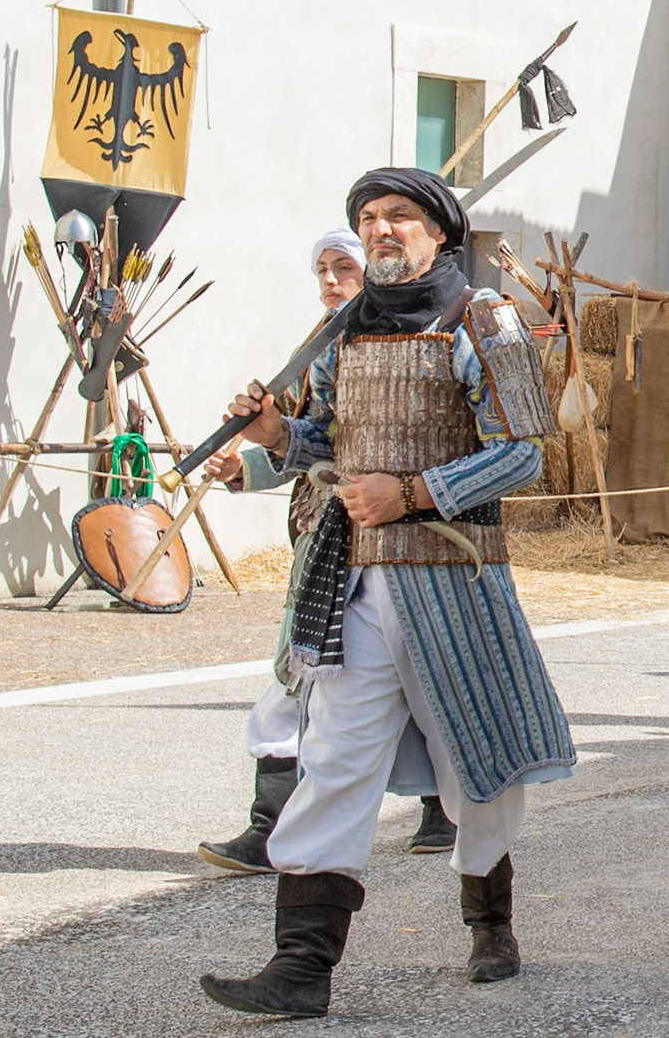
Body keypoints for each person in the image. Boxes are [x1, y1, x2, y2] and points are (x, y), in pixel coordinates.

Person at [199, 168, 576, 1018]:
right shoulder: (344, 332)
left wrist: (412, 494)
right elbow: (325, 440)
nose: (381, 230)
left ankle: (491, 921)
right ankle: (301, 968)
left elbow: (524, 453)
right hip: (357, 579)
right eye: (368, 218)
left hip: (453, 583)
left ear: (440, 231)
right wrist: (273, 437)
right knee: (331, 762)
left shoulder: (486, 323)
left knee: (475, 773)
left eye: (399, 215)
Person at [196, 231, 461, 872]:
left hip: (413, 536)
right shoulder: (323, 350)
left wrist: (416, 492)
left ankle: (451, 821)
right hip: (328, 536)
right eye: (323, 269)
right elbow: (312, 443)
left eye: (345, 266)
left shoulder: (438, 330)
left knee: (421, 684)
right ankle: (278, 832)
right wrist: (249, 465)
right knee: (303, 678)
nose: (332, 279)